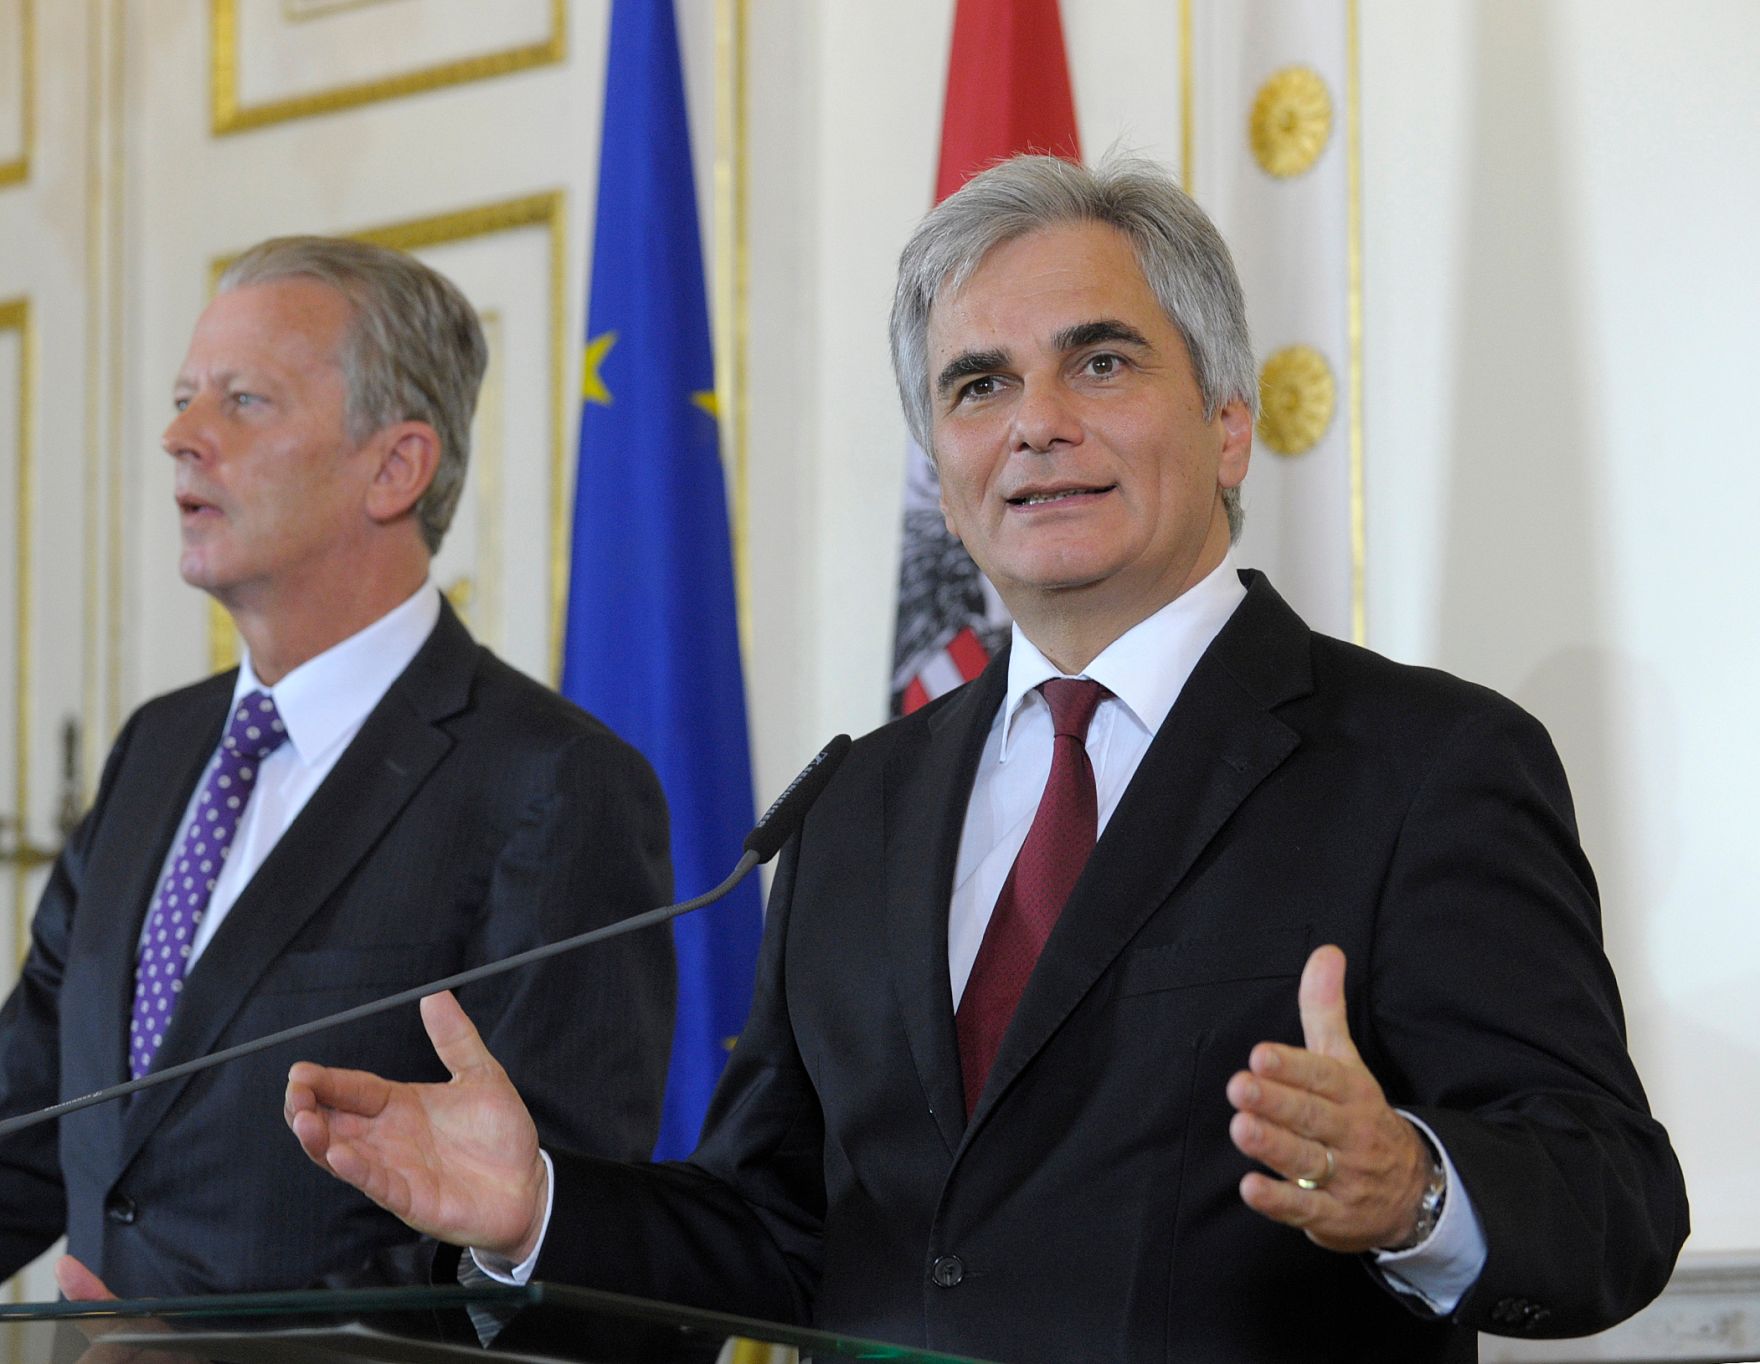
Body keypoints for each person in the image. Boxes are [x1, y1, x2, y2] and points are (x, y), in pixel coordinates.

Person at [282, 157, 1688, 1362]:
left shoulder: (1424, 763)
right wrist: (535, 1210)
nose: (1034, 422)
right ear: (944, 471)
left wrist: (1421, 1190)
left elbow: (1612, 1200)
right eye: (978, 383)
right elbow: (779, 1237)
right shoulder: (859, 806)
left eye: (1101, 360)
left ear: (1228, 423)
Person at [0, 236, 676, 1299]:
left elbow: (545, 1239)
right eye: (184, 397)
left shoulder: (553, 784)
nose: (180, 436)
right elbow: (29, 1115)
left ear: (394, 465)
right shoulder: (157, 747)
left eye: (244, 400)